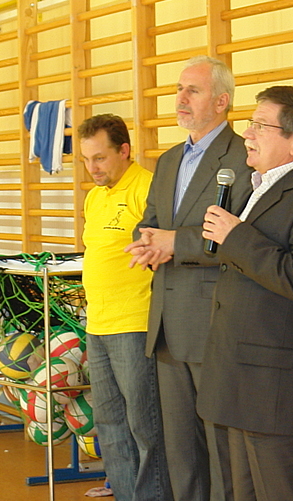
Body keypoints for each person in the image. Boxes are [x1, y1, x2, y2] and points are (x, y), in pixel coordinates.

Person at [196, 85, 293, 501]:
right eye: (251, 124)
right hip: (240, 385)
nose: (247, 134)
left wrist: (236, 236)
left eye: (260, 126)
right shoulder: (257, 187)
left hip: (281, 395)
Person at [125, 56, 252, 501]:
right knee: (181, 454)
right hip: (167, 326)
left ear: (221, 101)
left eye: (192, 90)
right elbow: (151, 221)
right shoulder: (168, 160)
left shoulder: (242, 158)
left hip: (213, 323)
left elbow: (240, 235)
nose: (180, 98)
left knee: (221, 453)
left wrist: (175, 243)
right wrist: (146, 242)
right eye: (179, 89)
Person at [79, 114, 172, 501]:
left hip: (134, 323)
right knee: (110, 424)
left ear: (124, 151)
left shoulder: (147, 188)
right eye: (86, 159)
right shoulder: (94, 197)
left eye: (99, 158)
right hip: (98, 325)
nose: (92, 168)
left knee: (144, 426)